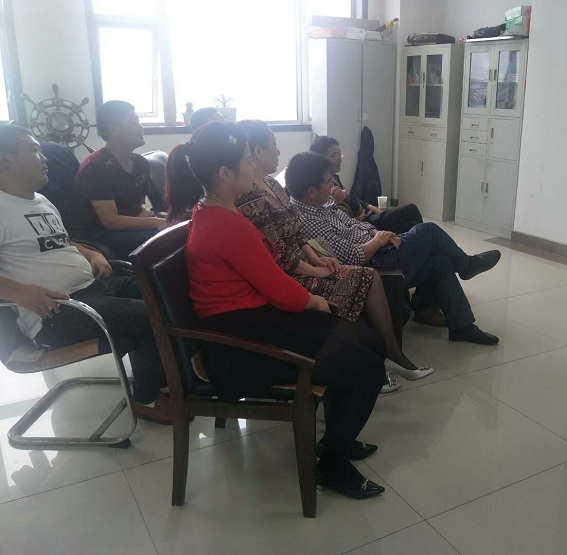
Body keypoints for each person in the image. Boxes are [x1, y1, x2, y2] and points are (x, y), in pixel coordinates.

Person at [166, 121, 385, 499]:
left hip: (251, 320)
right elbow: (278, 287)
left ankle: (337, 438)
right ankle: (331, 463)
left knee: (369, 342)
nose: (252, 165)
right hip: (238, 346)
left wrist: (310, 295)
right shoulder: (226, 224)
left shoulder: (214, 211)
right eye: (245, 160)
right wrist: (315, 301)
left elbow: (269, 274)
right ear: (225, 174)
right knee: (367, 367)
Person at [230, 120, 433, 388]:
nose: (278, 151)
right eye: (273, 145)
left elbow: (297, 232)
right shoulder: (250, 197)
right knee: (366, 278)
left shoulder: (272, 185)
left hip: (303, 262)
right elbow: (276, 253)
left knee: (370, 276)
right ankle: (379, 360)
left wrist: (315, 257)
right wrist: (314, 269)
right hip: (289, 274)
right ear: (256, 151)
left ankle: (385, 357)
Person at [0, 123, 171, 423]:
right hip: (57, 311)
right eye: (34, 149)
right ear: (5, 160)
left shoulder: (41, 200)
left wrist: (93, 254)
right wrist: (20, 292)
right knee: (151, 316)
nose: (45, 157)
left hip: (93, 288)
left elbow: (62, 243)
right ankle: (147, 398)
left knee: (166, 295)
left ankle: (168, 380)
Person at [287, 151, 502, 346]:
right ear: (311, 191)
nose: (332, 186)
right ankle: (466, 265)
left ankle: (462, 327)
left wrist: (378, 233)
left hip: (380, 247)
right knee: (428, 231)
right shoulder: (307, 221)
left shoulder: (321, 205)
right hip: (374, 263)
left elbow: (354, 223)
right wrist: (379, 241)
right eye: (328, 182)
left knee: (441, 262)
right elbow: (354, 256)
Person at [68, 100, 167, 260]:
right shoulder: (96, 167)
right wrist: (154, 222)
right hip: (97, 235)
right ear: (114, 129)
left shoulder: (140, 163)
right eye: (134, 123)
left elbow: (139, 206)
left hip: (126, 228)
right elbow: (110, 221)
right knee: (163, 240)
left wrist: (148, 216)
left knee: (179, 229)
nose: (141, 128)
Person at [309, 136, 423, 234]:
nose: (340, 159)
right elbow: (333, 216)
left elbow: (350, 197)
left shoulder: (334, 177)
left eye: (340, 154)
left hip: (364, 215)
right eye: (334, 155)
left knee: (410, 225)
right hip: (361, 223)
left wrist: (370, 207)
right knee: (410, 209)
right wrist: (354, 219)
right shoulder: (321, 186)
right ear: (320, 159)